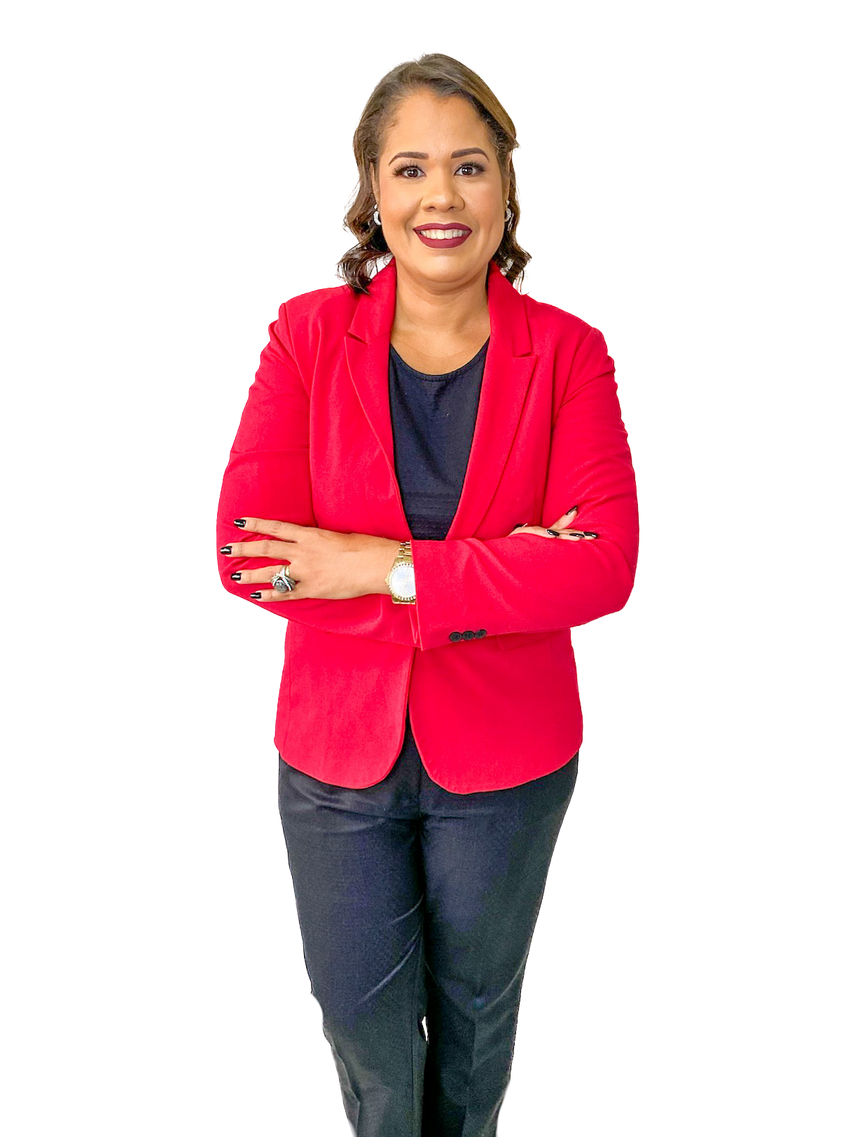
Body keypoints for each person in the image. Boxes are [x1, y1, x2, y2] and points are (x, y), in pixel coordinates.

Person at [215, 52, 638, 1137]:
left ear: (505, 186)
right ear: (372, 188)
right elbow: (249, 556)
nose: (439, 197)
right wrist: (504, 568)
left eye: (468, 166)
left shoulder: (568, 354)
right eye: (409, 168)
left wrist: (377, 564)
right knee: (361, 1021)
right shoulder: (306, 333)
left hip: (507, 756)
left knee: (475, 1011)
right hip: (336, 752)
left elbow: (599, 566)